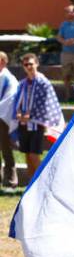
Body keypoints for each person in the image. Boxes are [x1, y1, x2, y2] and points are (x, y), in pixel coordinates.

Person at [12, 53, 63, 181]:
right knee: (27, 155)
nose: (28, 67)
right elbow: (17, 100)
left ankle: (42, 182)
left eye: (31, 64)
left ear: (37, 64)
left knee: (34, 155)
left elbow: (46, 103)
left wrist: (30, 115)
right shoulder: (22, 83)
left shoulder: (43, 82)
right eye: (26, 64)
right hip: (23, 124)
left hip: (37, 124)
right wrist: (18, 113)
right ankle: (30, 183)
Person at [0, 52, 17, 187]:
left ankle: (10, 180)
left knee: (6, 149)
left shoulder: (8, 78)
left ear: (4, 62)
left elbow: (10, 97)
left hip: (3, 118)